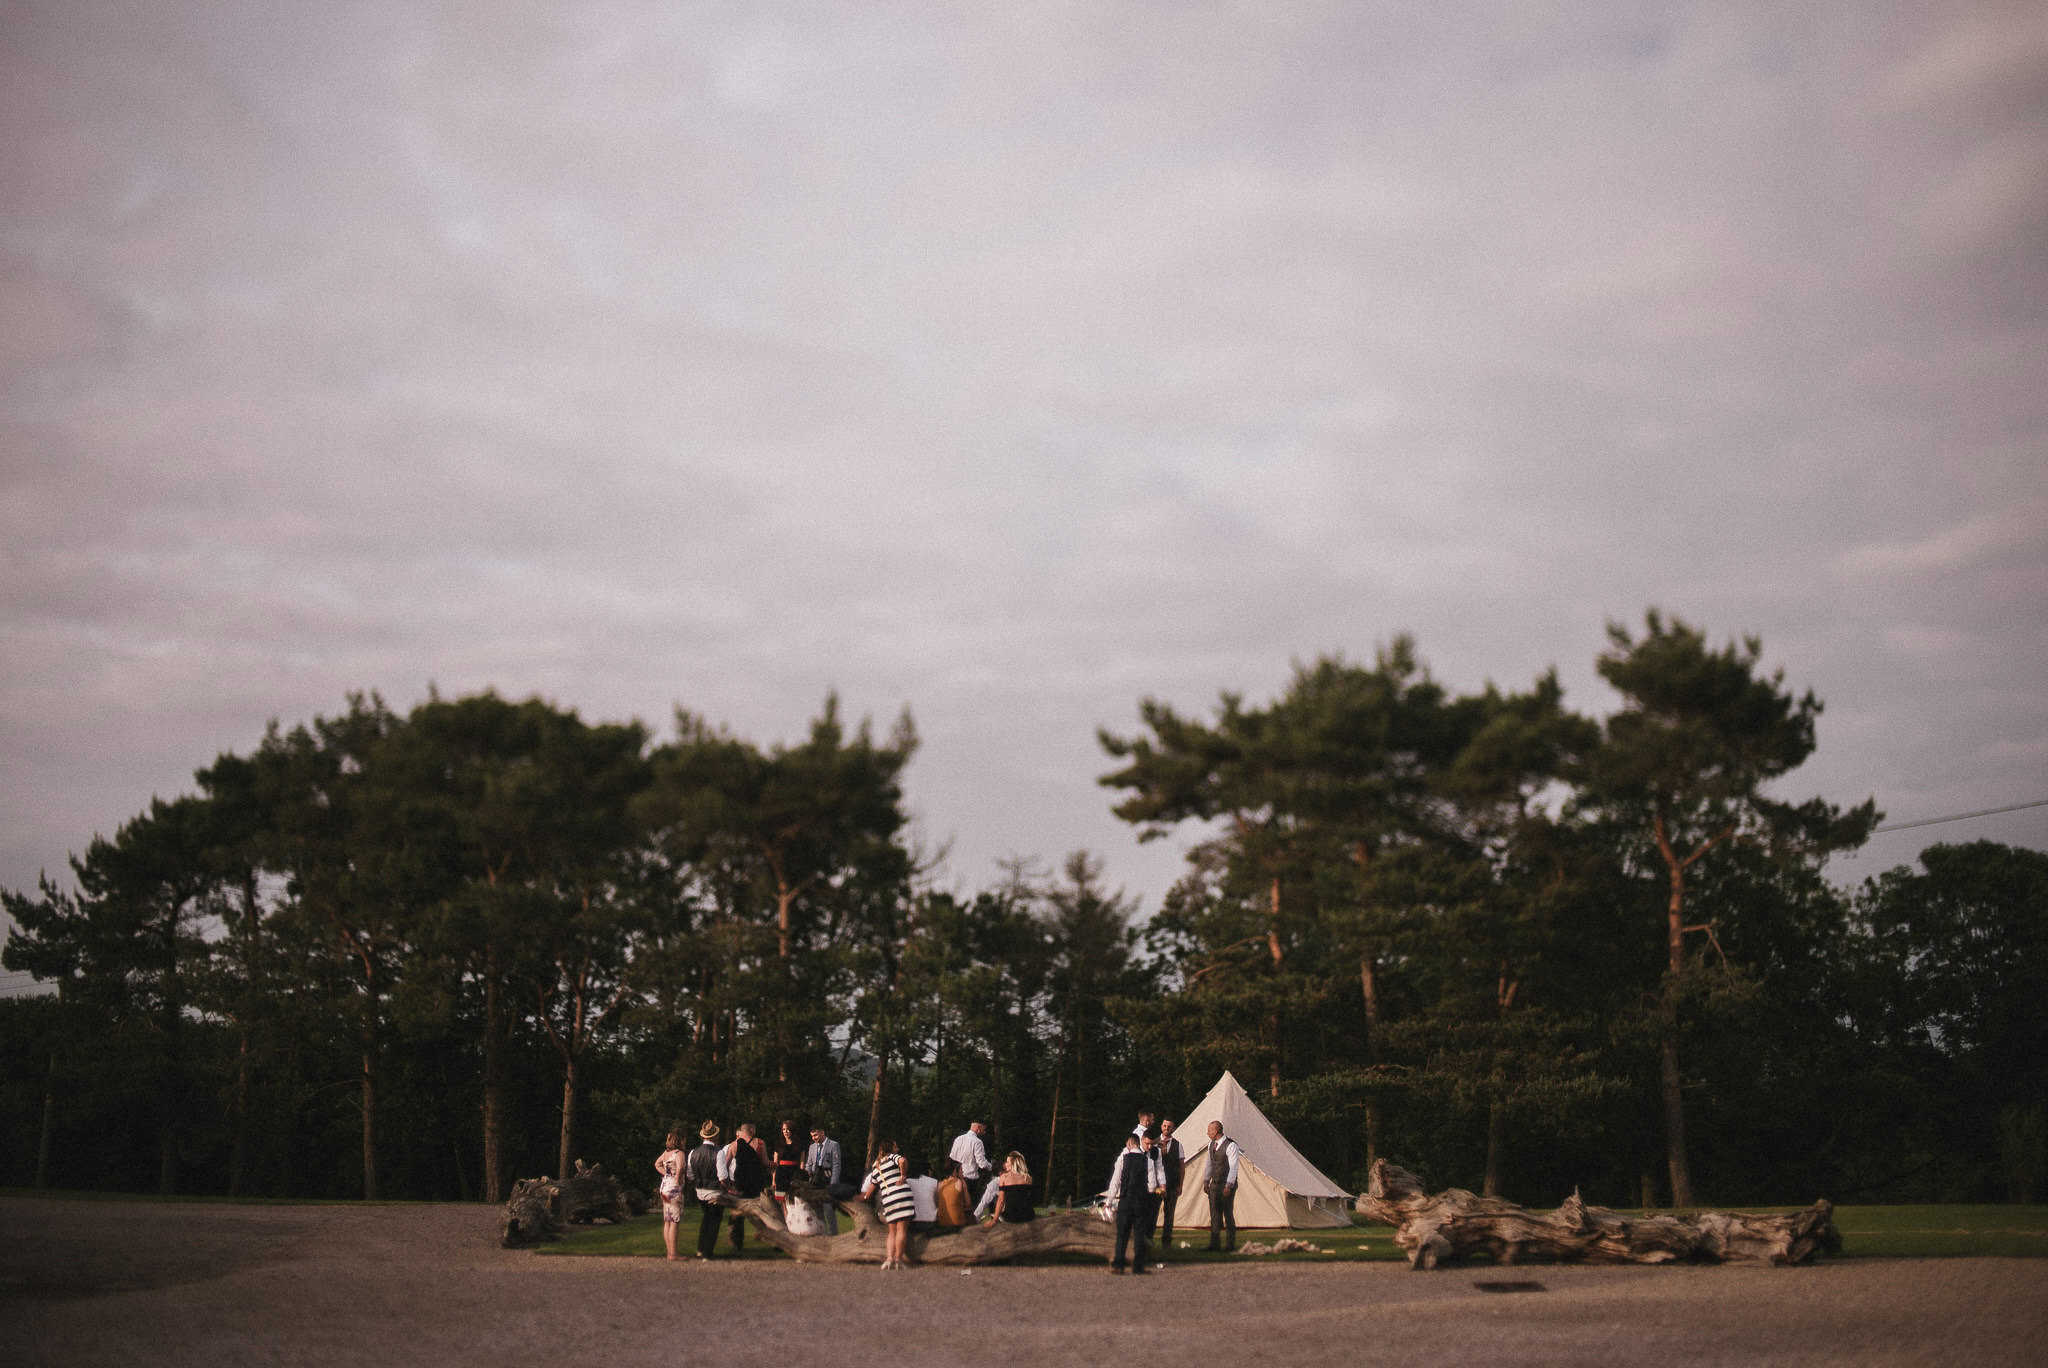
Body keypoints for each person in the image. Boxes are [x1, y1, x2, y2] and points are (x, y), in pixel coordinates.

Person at [860, 1138, 917, 1269]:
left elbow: (870, 1190)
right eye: (896, 1146)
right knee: (901, 1229)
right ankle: (898, 1259)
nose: (897, 1148)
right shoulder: (892, 1157)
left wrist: (861, 1197)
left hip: (888, 1199)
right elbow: (902, 1161)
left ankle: (889, 1259)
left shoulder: (876, 1166)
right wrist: (903, 1175)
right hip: (901, 1195)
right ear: (891, 1148)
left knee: (892, 1232)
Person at [1105, 1134, 1155, 1274]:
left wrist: (1109, 1201)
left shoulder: (1122, 1159)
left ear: (1129, 1143)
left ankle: (1118, 1265)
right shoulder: (1148, 1160)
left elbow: (1115, 1182)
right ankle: (1138, 1266)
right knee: (1139, 1234)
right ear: (1138, 1144)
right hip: (1140, 1201)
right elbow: (1152, 1186)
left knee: (1122, 1234)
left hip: (1126, 1200)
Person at [719, 1121, 769, 1253]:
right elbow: (764, 1162)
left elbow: (726, 1163)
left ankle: (736, 1241)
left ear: (741, 1131)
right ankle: (763, 1234)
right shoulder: (760, 1143)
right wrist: (773, 1165)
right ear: (752, 1130)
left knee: (738, 1209)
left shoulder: (733, 1145)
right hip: (756, 1180)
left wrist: (726, 1181)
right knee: (759, 1208)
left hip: (740, 1181)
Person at [687, 1121, 725, 1260]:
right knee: (714, 1222)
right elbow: (722, 1176)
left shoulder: (693, 1152)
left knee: (705, 1220)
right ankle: (707, 1253)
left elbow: (690, 1175)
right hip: (715, 1191)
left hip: (699, 1190)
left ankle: (700, 1249)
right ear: (715, 1136)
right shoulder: (719, 1152)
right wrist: (728, 1188)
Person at [1201, 1120, 1241, 1252]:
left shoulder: (1231, 1145)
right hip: (1214, 1184)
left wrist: (1229, 1185)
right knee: (1214, 1215)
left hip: (1225, 1184)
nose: (1207, 1132)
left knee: (1228, 1214)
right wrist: (1206, 1180)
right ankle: (1214, 1244)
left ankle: (1230, 1245)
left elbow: (1234, 1167)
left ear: (1216, 1131)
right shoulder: (1211, 1145)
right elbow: (1209, 1164)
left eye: (1209, 1130)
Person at [654, 1128, 689, 1260]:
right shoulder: (679, 1153)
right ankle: (674, 1254)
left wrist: (667, 1174)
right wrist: (677, 1178)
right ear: (680, 1140)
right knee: (674, 1220)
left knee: (667, 1220)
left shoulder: (666, 1153)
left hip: (664, 1187)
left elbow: (657, 1164)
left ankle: (670, 1253)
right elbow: (680, 1167)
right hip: (674, 1189)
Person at [1156, 1116, 1186, 1258]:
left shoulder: (1178, 1145)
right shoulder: (1154, 1142)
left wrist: (1180, 1185)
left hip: (1172, 1184)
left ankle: (1166, 1242)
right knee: (1152, 1213)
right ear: (1161, 1126)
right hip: (1156, 1184)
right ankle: (1147, 1240)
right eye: (1164, 1126)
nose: (1166, 1128)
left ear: (1173, 1129)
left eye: (1169, 1127)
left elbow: (1181, 1166)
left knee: (1169, 1215)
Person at [949, 1120, 994, 1203]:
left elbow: (952, 1156)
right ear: (979, 1128)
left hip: (955, 1178)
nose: (984, 1132)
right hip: (970, 1180)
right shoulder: (977, 1142)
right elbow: (982, 1163)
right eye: (984, 1129)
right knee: (970, 1206)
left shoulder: (958, 1139)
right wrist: (991, 1167)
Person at [986, 1151, 1036, 1224]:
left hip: (1012, 1217)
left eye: (1007, 1162)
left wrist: (994, 1220)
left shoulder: (1004, 1177)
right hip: (1028, 1215)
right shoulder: (1028, 1178)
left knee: (996, 1212)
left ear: (1014, 1164)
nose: (1005, 1164)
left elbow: (1001, 1200)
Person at [904, 1157, 940, 1232]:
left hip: (913, 1223)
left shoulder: (907, 1182)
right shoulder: (934, 1181)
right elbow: (937, 1203)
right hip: (931, 1223)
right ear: (928, 1171)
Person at [771, 1120, 807, 1195]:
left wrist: (801, 1178)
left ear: (792, 1130)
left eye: (787, 1129)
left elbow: (802, 1162)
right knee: (780, 1197)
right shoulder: (778, 1143)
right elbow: (775, 1163)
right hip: (780, 1174)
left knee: (794, 1198)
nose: (785, 1131)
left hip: (795, 1174)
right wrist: (773, 1180)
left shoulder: (799, 1144)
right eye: (783, 1129)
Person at [935, 1160, 973, 1227]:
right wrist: (964, 1184)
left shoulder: (940, 1184)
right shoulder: (959, 1182)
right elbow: (968, 1203)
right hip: (957, 1223)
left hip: (942, 1223)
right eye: (961, 1169)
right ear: (955, 1171)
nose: (963, 1172)